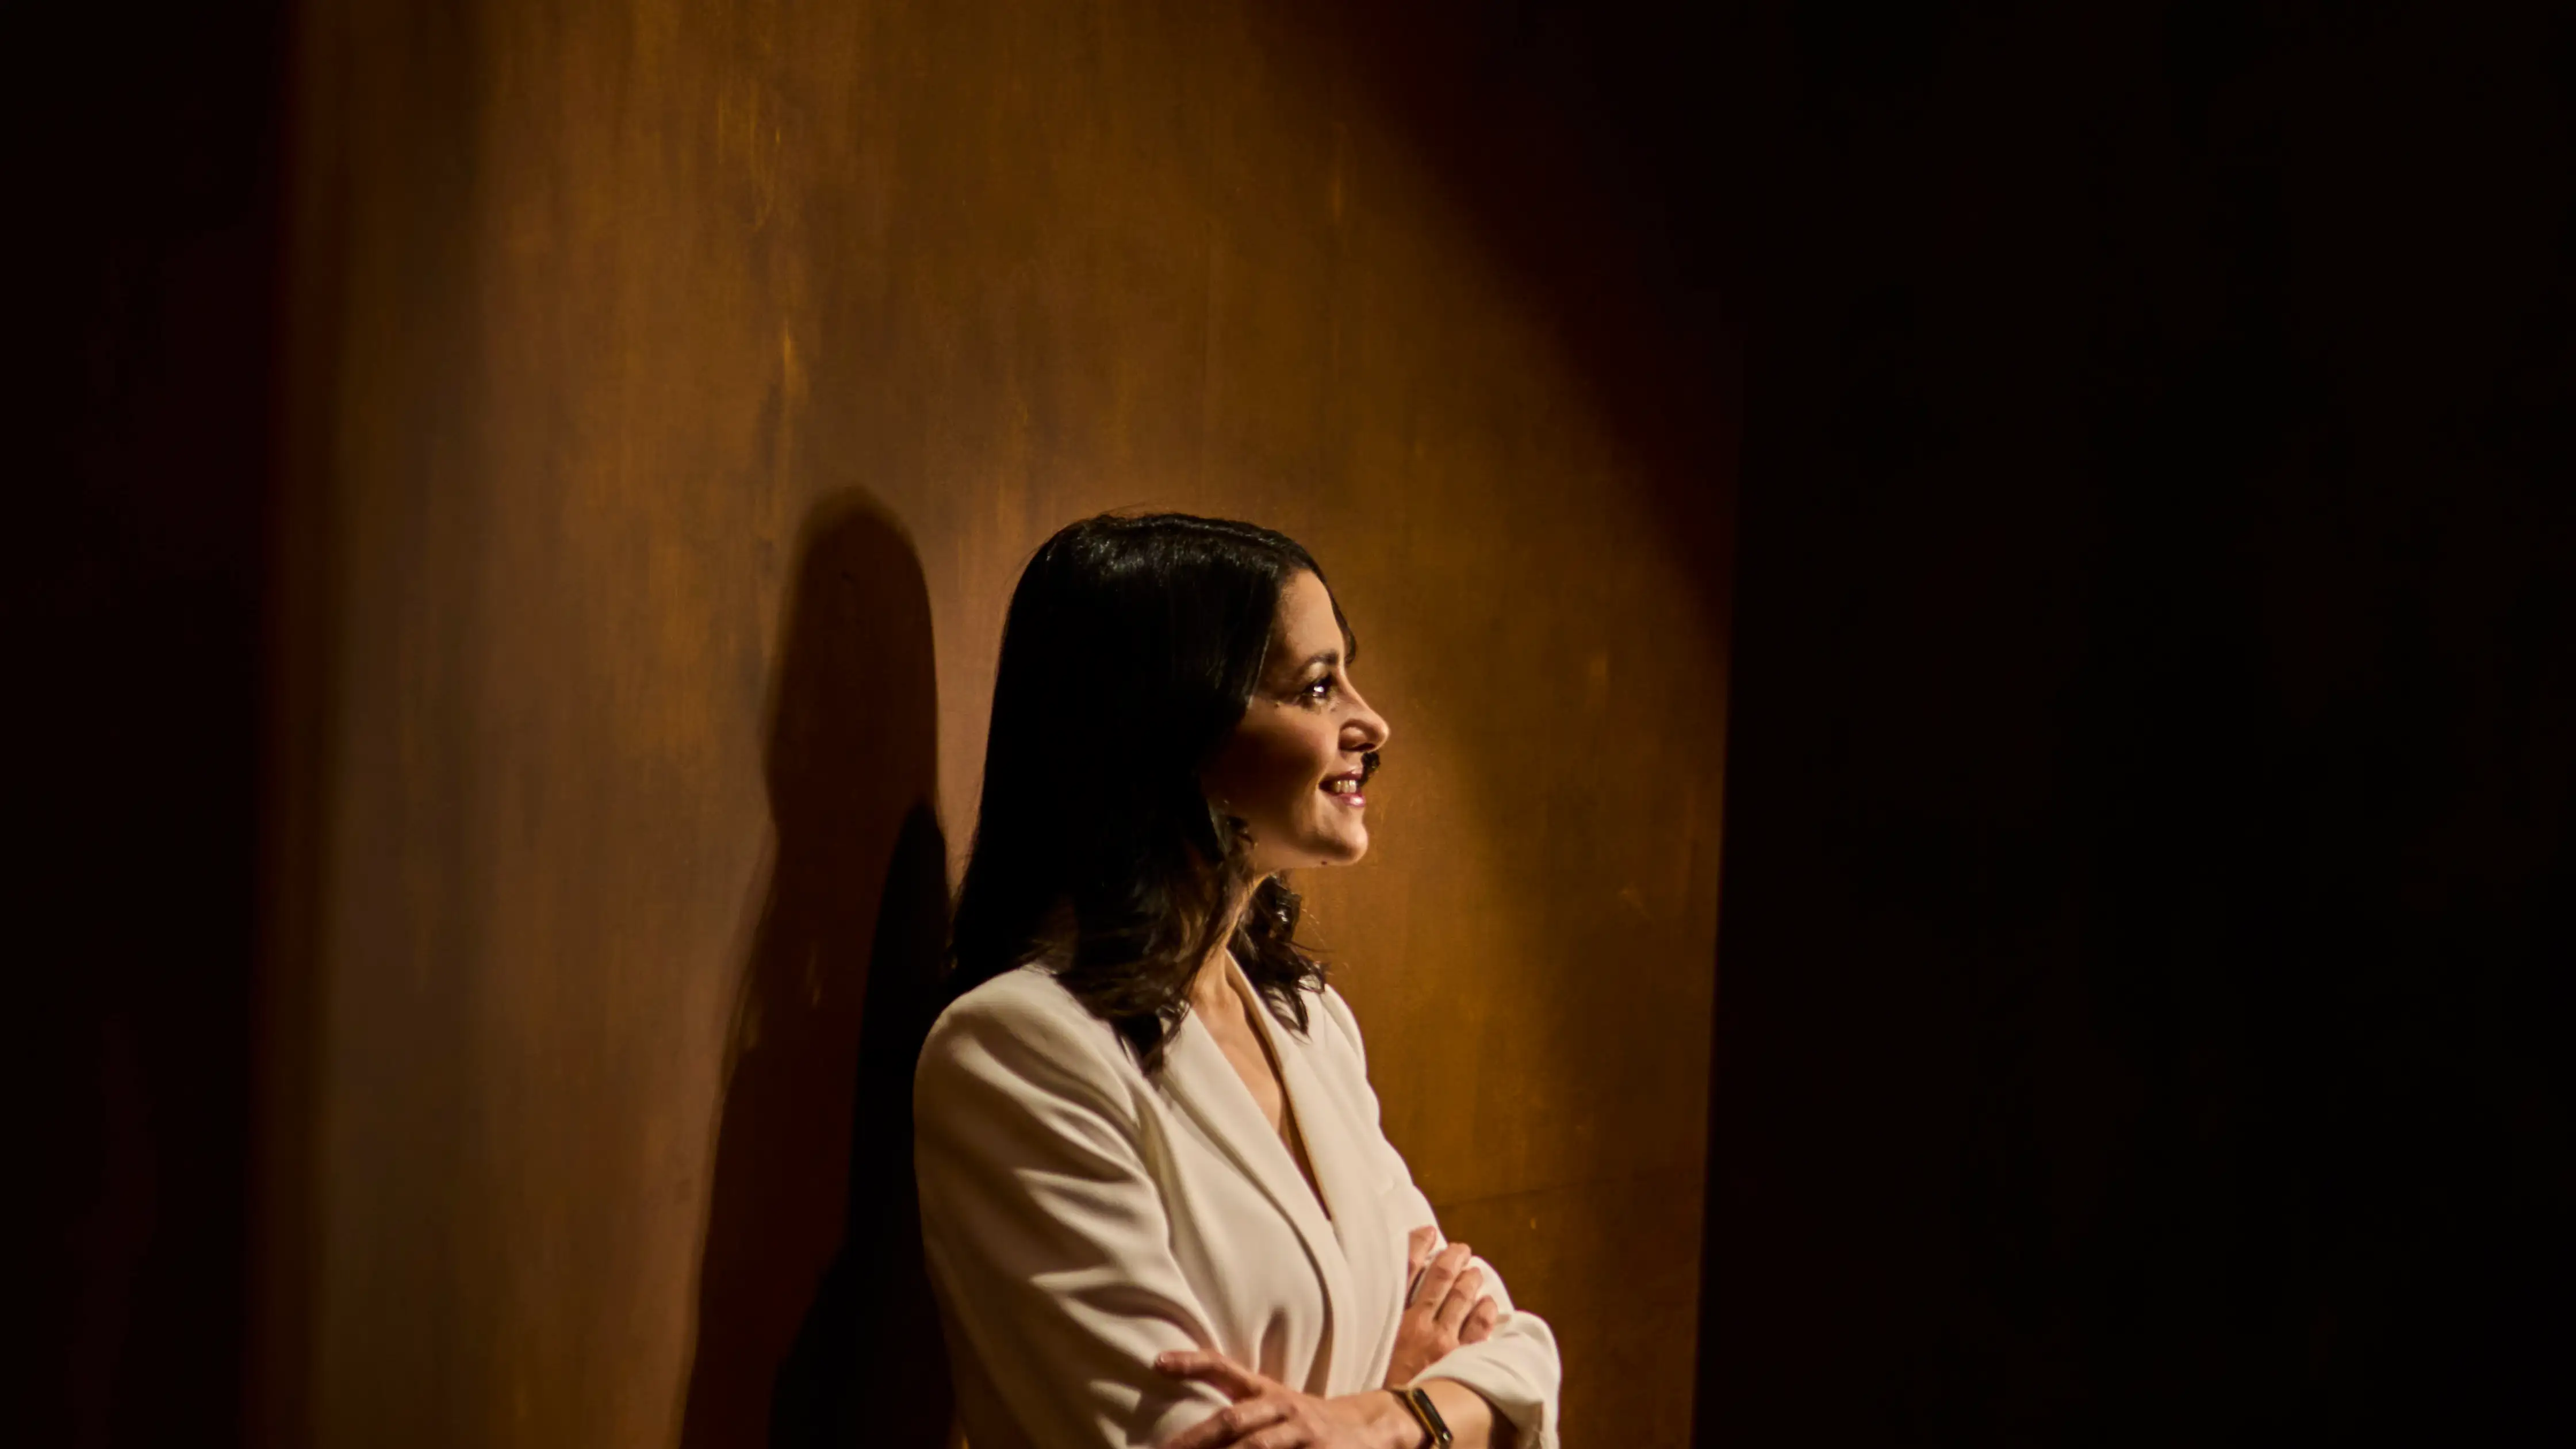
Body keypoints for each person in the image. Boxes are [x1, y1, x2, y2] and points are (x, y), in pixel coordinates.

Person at [913, 513, 1562, 1449]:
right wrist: (1430, 1406)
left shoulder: (1312, 1028)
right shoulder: (1015, 1051)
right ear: (1176, 727)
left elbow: (1517, 1347)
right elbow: (1188, 1442)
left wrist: (1388, 1414)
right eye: (1316, 686)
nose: (1370, 722)